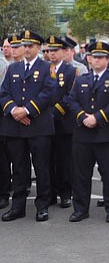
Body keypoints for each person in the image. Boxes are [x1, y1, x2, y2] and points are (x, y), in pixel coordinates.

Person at [0, 31, 57, 222]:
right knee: (19, 168)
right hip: (15, 127)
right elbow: (4, 93)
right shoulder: (13, 68)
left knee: (41, 167)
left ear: (39, 47)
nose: (26, 49)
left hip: (38, 126)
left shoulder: (47, 67)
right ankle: (18, 207)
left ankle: (42, 206)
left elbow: (48, 93)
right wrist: (15, 110)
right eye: (24, 45)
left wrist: (27, 111)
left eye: (30, 46)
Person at [68, 41, 109, 223]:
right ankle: (80, 208)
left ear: (108, 60)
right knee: (81, 174)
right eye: (94, 57)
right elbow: (72, 101)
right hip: (83, 133)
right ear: (89, 59)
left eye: (101, 57)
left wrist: (97, 118)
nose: (97, 60)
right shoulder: (81, 79)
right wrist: (83, 116)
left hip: (106, 134)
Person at [45, 36, 77, 209]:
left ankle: (65, 193)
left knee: (64, 161)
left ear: (64, 52)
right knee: (47, 160)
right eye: (49, 51)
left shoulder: (70, 71)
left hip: (63, 123)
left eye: (55, 50)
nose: (52, 54)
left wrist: (54, 112)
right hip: (44, 122)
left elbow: (70, 96)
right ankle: (50, 193)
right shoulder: (43, 69)